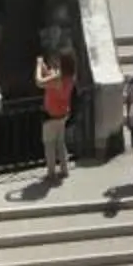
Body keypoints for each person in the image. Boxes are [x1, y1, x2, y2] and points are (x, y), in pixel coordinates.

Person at [35, 49, 76, 181]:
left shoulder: (58, 77)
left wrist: (38, 64)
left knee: (49, 144)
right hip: (63, 114)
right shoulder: (70, 77)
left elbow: (39, 81)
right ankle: (64, 170)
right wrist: (45, 68)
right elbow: (50, 78)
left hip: (51, 115)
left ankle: (51, 173)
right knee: (60, 142)